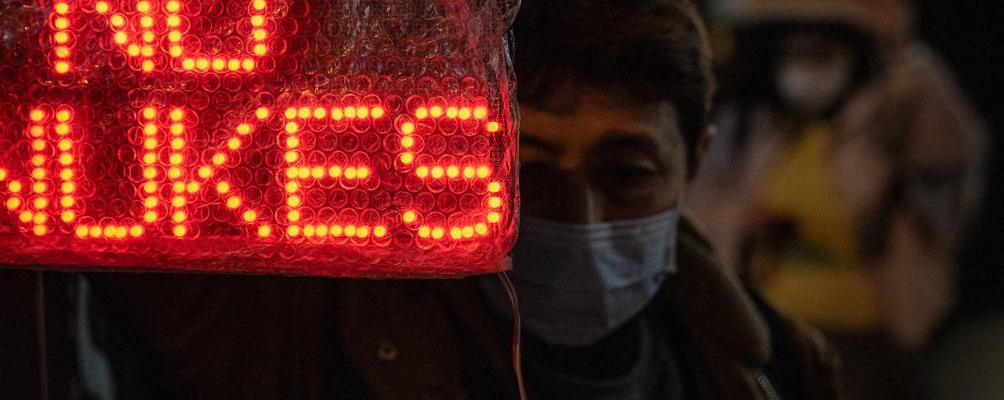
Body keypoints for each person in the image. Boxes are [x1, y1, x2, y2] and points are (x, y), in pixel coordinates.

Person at [84, 0, 841, 398]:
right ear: (467, 151)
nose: (581, 219)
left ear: (696, 159)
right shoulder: (301, 339)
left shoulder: (781, 369)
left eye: (627, 172)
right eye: (532, 172)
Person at [687, 0, 987, 397]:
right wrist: (739, 220)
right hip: (775, 332)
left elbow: (952, 169)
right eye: (795, 54)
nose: (805, 70)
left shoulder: (883, 127)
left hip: (866, 339)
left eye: (821, 55)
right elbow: (694, 207)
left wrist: (902, 52)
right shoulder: (759, 130)